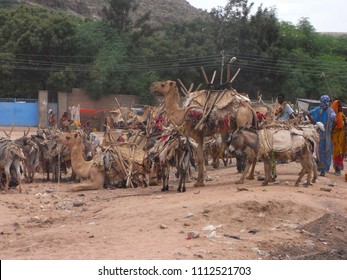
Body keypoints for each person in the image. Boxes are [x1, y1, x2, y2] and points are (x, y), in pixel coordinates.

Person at [307, 95, 336, 176]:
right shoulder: (320, 110)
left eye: (327, 101)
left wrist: (330, 130)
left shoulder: (330, 111)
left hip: (325, 134)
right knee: (318, 151)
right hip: (319, 134)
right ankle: (320, 168)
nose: (326, 103)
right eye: (324, 102)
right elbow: (309, 114)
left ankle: (323, 168)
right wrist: (314, 122)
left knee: (325, 151)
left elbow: (335, 120)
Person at [331, 99, 346, 176]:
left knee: (338, 152)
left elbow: (338, 127)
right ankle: (337, 168)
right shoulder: (339, 115)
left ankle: (338, 169)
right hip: (339, 137)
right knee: (338, 152)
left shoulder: (340, 116)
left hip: (339, 138)